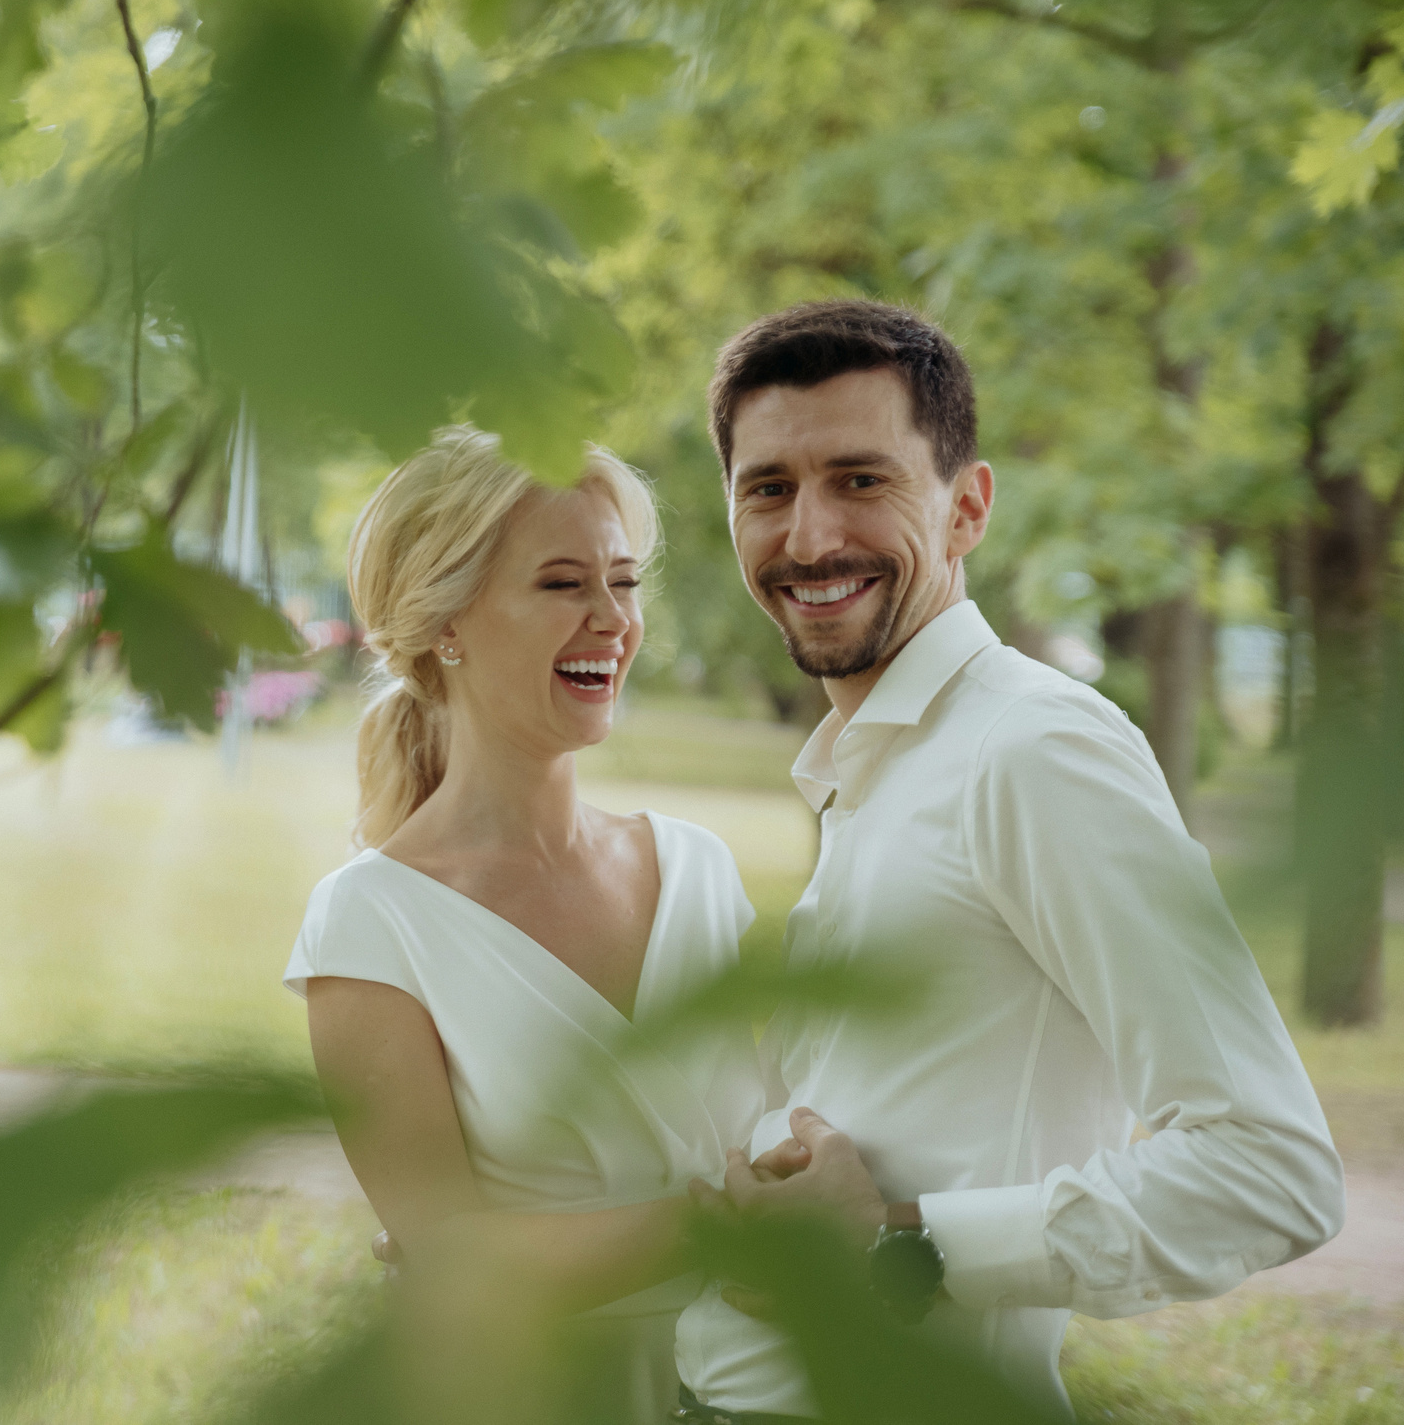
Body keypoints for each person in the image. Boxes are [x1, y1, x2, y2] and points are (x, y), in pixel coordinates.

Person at [672, 300, 1345, 1421]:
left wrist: (906, 1242)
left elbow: (1269, 1167)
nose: (808, 537)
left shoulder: (1034, 750)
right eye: (768, 488)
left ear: (965, 506)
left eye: (862, 479)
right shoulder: (873, 762)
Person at [286, 429, 767, 1424]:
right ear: (445, 621)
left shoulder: (699, 869)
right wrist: (721, 1224)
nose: (612, 619)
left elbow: (798, 1125)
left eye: (622, 580)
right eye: (560, 583)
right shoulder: (369, 922)